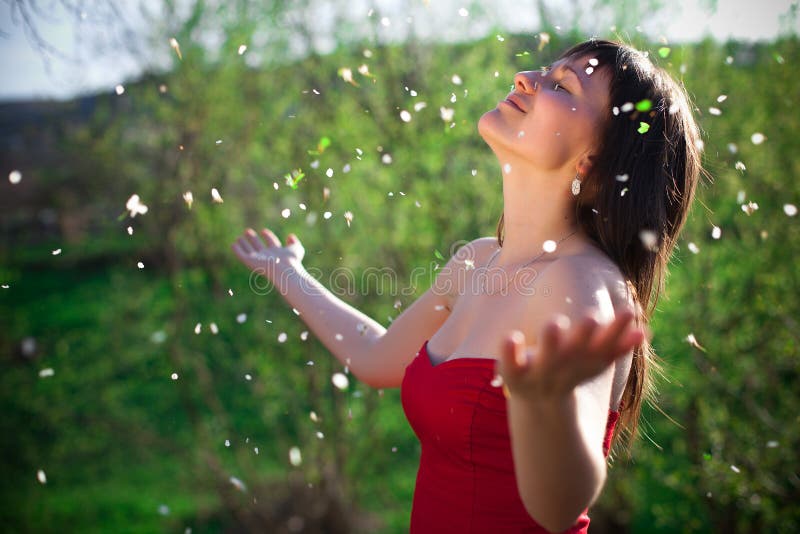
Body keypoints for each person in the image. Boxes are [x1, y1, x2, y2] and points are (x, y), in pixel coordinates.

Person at [231, 38, 702, 533]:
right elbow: (375, 356)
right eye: (545, 70)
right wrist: (288, 271)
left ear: (596, 161)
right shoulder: (476, 261)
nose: (526, 78)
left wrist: (545, 406)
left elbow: (560, 508)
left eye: (562, 86)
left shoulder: (579, 284)